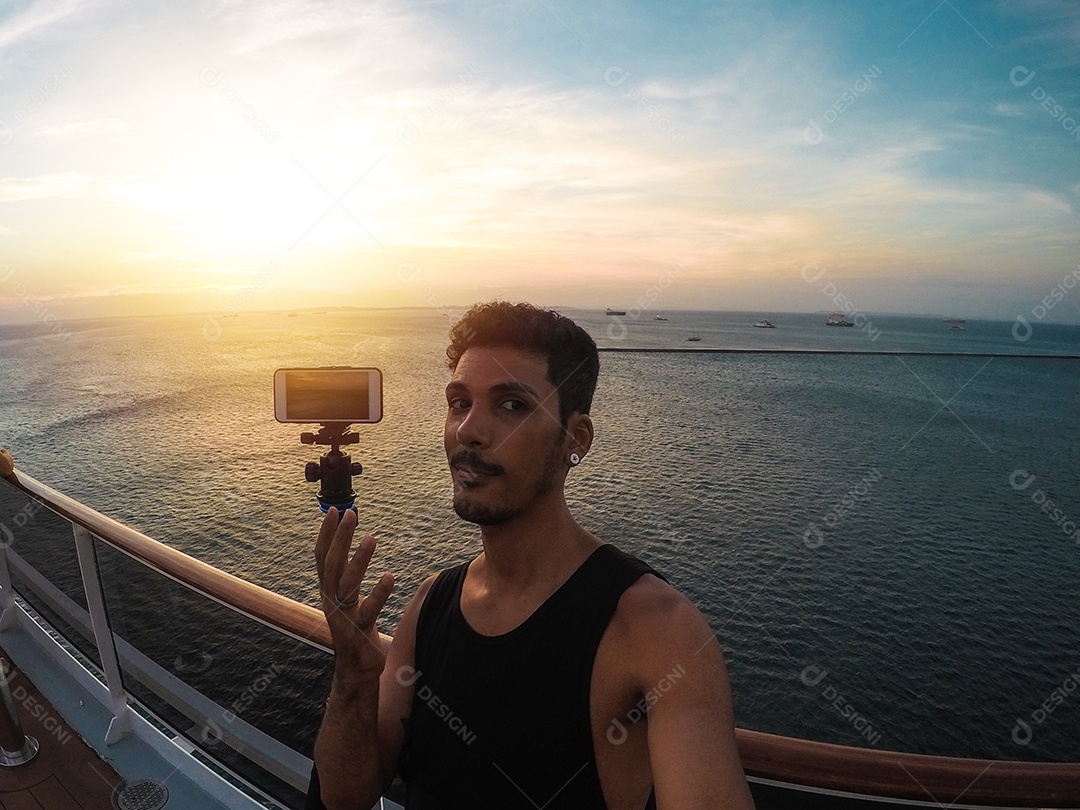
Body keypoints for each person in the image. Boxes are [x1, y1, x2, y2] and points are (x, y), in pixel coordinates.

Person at [308, 301, 755, 810]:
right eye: (459, 403)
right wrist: (353, 674)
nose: (468, 430)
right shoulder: (431, 605)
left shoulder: (656, 630)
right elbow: (345, 798)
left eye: (512, 405)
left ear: (575, 439)